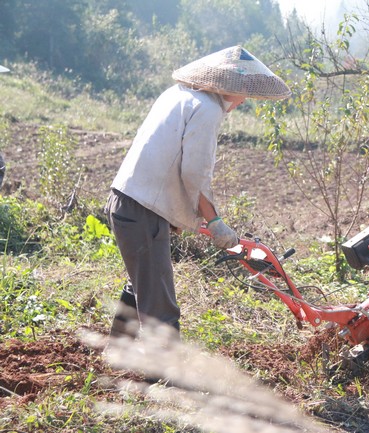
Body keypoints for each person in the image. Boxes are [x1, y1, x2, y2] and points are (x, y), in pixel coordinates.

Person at [105, 46, 290, 340]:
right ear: (228, 87)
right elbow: (195, 173)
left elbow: (165, 158)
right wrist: (214, 221)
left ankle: (118, 352)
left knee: (143, 285)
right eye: (243, 94)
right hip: (142, 210)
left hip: (128, 201)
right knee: (160, 307)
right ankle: (165, 380)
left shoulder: (177, 94)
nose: (242, 101)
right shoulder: (207, 109)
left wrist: (176, 215)